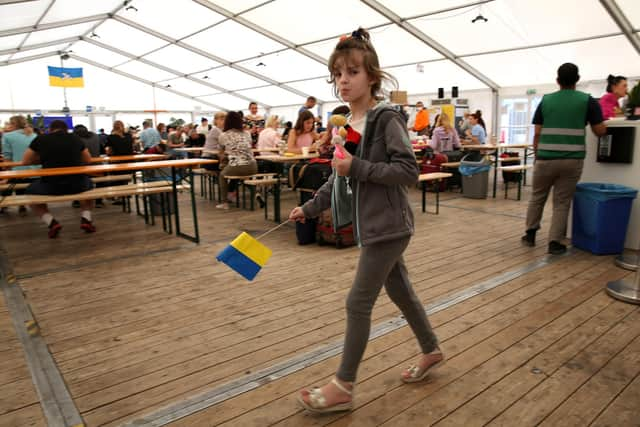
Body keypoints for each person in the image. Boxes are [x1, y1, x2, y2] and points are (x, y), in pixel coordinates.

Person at [289, 27, 442, 414]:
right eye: (338, 72)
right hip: (375, 225)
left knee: (357, 303)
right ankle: (432, 350)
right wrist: (309, 208)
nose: (344, 80)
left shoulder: (385, 117)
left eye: (353, 71)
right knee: (402, 293)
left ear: (371, 75)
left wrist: (357, 165)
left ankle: (343, 384)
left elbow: (408, 170)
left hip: (388, 226)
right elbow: (342, 175)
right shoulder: (347, 124)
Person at [522, 63, 606, 255]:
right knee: (562, 202)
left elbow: (537, 132)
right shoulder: (587, 101)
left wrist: (537, 155)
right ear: (577, 80)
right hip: (572, 160)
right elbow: (599, 130)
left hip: (545, 158)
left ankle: (530, 234)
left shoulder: (546, 100)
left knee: (537, 197)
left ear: (557, 80)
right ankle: (554, 242)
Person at [22, 120, 96, 238]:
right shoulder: (75, 138)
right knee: (89, 185)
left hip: (50, 186)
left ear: (50, 129)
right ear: (66, 129)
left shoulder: (41, 139)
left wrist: (43, 159)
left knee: (29, 193)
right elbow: (88, 160)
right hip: (77, 184)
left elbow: (26, 161)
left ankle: (51, 222)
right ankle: (86, 219)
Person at [216, 111, 257, 210]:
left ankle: (225, 202)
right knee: (239, 173)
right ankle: (256, 194)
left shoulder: (223, 135)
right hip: (253, 166)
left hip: (237, 166)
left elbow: (221, 155)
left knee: (222, 175)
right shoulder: (247, 133)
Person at [1, 115, 38, 215]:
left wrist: (6, 168)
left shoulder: (7, 136)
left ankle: (18, 205)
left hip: (20, 173)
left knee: (9, 179)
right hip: (37, 173)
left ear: (14, 124)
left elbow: (7, 157)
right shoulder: (34, 135)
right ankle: (21, 205)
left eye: (9, 123)